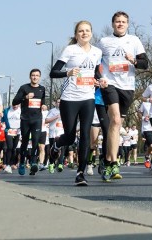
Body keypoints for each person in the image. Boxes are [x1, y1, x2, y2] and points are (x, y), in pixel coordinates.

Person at [49, 20, 103, 186]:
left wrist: (100, 81)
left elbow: (96, 73)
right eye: (81, 31)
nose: (84, 33)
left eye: (87, 30)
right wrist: (68, 72)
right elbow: (53, 72)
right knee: (70, 136)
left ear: (91, 33)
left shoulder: (97, 52)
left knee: (86, 135)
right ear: (76, 34)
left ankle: (80, 173)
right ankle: (57, 144)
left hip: (88, 98)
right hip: (69, 98)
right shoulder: (70, 50)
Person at [98, 11, 148, 181]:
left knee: (116, 125)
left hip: (127, 87)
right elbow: (95, 63)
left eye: (123, 22)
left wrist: (133, 60)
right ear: (112, 24)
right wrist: (100, 79)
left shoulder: (134, 41)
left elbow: (144, 63)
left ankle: (106, 160)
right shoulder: (104, 42)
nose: (120, 24)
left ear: (128, 24)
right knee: (116, 121)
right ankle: (113, 163)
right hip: (109, 84)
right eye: (117, 21)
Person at [11, 68, 47, 176]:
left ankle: (33, 163)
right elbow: (15, 101)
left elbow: (43, 102)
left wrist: (44, 105)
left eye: (37, 75)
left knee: (36, 142)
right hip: (26, 119)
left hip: (37, 119)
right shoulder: (24, 88)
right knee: (25, 142)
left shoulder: (42, 89)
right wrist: (25, 97)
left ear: (39, 77)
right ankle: (22, 162)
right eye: (33, 75)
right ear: (30, 76)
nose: (35, 77)